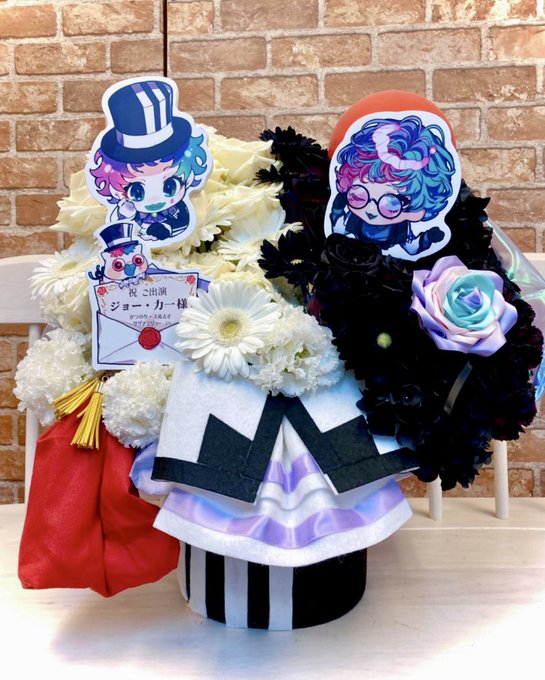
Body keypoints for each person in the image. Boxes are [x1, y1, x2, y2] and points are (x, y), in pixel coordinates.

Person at [330, 115, 456, 256]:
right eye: (359, 196)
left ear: (415, 207)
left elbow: (412, 248)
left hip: (392, 260)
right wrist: (337, 210)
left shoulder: (400, 229)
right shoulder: (353, 219)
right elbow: (337, 231)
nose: (371, 209)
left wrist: (427, 238)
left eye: (390, 205)